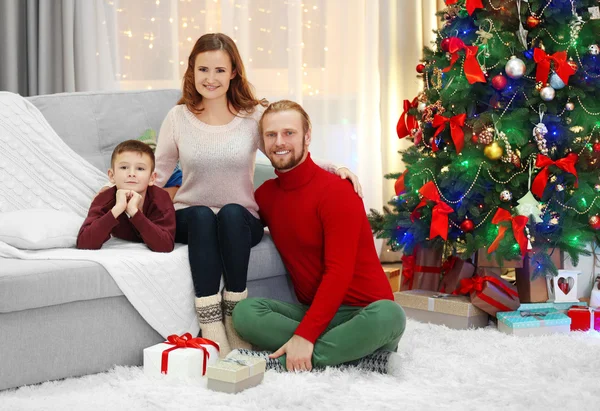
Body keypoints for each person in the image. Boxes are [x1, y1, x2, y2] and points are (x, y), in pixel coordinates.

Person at [152, 33, 362, 357]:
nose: (211, 79)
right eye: (203, 69)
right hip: (192, 216)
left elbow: (283, 150)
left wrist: (334, 169)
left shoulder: (251, 116)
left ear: (234, 71)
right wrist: (124, 192)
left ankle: (235, 319)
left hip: (240, 220)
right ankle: (211, 324)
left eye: (220, 70)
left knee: (232, 211)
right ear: (191, 71)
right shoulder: (177, 118)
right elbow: (159, 172)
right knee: (204, 214)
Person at [231, 100, 406, 375]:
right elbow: (238, 218)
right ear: (262, 142)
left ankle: (281, 362)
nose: (280, 142)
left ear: (307, 136)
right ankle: (350, 355)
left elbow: (339, 271)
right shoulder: (265, 195)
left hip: (364, 312)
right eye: (271, 135)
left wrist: (306, 336)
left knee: (392, 316)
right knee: (245, 313)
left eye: (289, 133)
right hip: (316, 313)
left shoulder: (338, 191)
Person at [77, 140, 176, 252]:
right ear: (112, 175)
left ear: (151, 178)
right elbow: (84, 242)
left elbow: (165, 245)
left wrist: (135, 212)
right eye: (124, 167)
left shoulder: (161, 199)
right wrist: (116, 210)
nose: (131, 173)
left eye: (140, 168)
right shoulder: (104, 200)